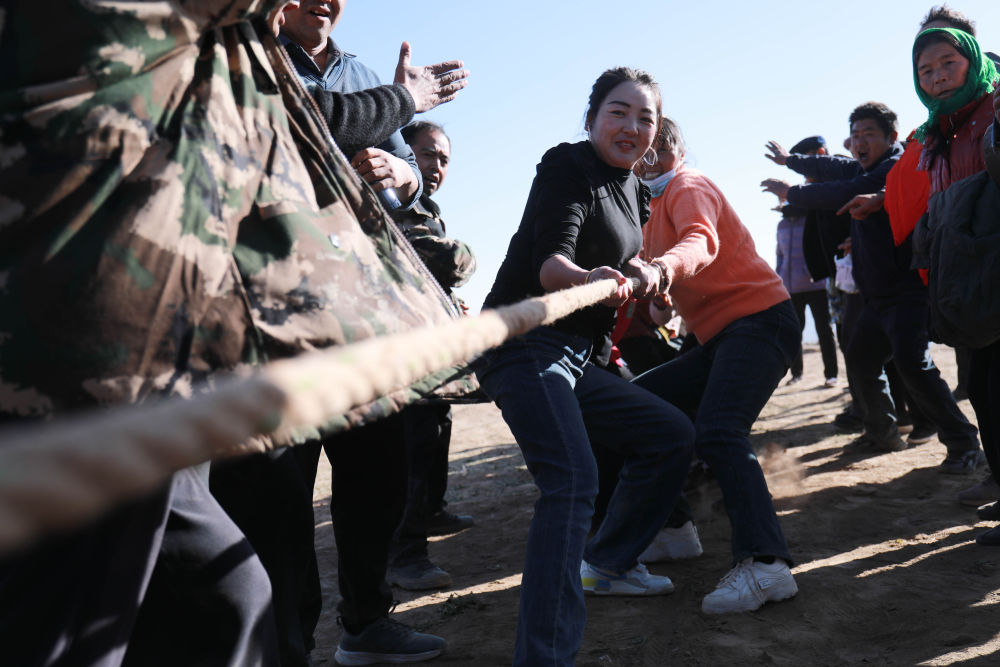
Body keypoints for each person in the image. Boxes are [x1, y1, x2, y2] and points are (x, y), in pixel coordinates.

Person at [477, 67, 695, 666]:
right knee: (571, 481)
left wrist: (646, 288)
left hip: (582, 359)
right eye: (618, 112)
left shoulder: (636, 191)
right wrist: (588, 278)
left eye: (645, 118)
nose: (631, 127)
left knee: (670, 434)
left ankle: (611, 562)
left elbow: (622, 271)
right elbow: (551, 265)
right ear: (592, 118)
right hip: (526, 344)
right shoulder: (567, 164)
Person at [631, 116, 800, 615]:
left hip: (760, 320)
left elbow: (701, 241)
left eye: (661, 149)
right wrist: (658, 297)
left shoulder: (688, 185)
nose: (651, 161)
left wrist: (663, 268)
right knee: (636, 406)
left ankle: (767, 565)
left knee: (720, 429)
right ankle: (674, 530)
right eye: (643, 153)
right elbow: (665, 292)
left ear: (679, 151)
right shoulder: (644, 211)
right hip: (718, 337)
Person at [764, 102, 982, 470]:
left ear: (891, 137)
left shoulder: (893, 167)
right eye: (855, 136)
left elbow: (844, 189)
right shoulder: (864, 167)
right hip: (874, 295)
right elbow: (833, 168)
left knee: (913, 364)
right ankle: (881, 433)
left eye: (869, 134)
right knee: (861, 360)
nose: (860, 142)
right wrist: (790, 161)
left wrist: (793, 193)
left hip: (906, 291)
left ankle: (964, 443)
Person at [387, 121, 477, 591]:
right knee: (412, 454)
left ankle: (432, 512)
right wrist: (466, 256)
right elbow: (445, 261)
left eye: (444, 159)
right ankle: (404, 555)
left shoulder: (425, 208)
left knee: (435, 433)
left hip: (430, 350)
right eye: (427, 154)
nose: (436, 166)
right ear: (404, 156)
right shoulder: (393, 202)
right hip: (402, 355)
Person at [279, 0, 465, 210]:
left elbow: (410, 174)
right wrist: (406, 98)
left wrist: (400, 173)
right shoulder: (257, 59)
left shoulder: (365, 78)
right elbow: (317, 118)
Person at [772, 135, 840, 387]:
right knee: (794, 332)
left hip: (816, 282)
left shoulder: (809, 215)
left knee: (824, 330)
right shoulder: (781, 226)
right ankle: (796, 373)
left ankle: (831, 374)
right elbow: (779, 255)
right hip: (790, 287)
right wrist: (779, 280)